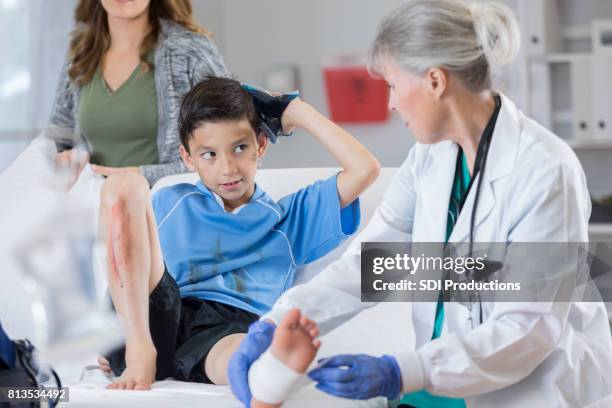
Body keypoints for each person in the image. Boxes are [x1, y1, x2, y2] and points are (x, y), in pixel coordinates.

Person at [228, 1, 612, 407]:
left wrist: (399, 371)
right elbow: (372, 268)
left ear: (435, 81)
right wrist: (274, 321)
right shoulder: (431, 157)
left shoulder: (546, 169)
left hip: (530, 390)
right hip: (439, 380)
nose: (390, 103)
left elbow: (529, 326)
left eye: (393, 84)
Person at [95, 76, 380, 390]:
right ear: (188, 157)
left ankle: (270, 366)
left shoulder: (290, 219)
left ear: (260, 145)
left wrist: (295, 110)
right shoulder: (169, 201)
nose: (228, 168)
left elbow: (364, 169)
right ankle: (138, 354)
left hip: (227, 330)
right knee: (123, 185)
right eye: (209, 155)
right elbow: (128, 260)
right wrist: (116, 329)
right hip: (158, 318)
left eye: (240, 148)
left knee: (245, 355)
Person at [49, 0, 228, 187]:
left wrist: (141, 176)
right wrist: (65, 160)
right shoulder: (80, 52)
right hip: (96, 209)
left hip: (164, 210)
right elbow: (58, 140)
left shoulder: (190, 49)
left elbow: (229, 148)